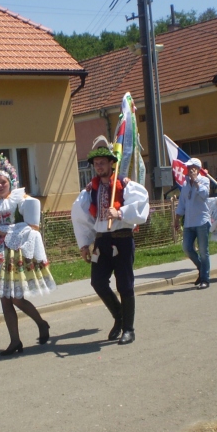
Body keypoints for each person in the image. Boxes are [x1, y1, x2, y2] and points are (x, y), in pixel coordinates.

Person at [0, 153, 54, 356]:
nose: (0, 186)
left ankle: (41, 323)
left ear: (10, 182)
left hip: (15, 251)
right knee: (5, 299)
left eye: (3, 182)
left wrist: (4, 230)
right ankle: (15, 341)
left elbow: (31, 226)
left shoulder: (20, 200)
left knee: (16, 298)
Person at [71, 137, 149, 344]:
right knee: (97, 282)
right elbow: (80, 217)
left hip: (122, 240)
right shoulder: (90, 190)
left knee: (125, 285)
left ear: (111, 163)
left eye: (103, 162)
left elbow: (141, 205)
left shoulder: (125, 185)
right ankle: (119, 317)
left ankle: (129, 329)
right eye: (96, 163)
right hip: (102, 242)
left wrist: (121, 212)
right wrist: (84, 244)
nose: (99, 166)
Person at [174, 157, 212, 289]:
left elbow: (204, 195)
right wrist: (177, 218)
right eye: (188, 168)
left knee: (203, 251)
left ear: (197, 169)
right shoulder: (185, 184)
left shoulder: (204, 180)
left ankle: (205, 279)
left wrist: (196, 181)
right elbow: (182, 203)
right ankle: (202, 269)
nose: (189, 170)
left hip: (201, 221)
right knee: (187, 248)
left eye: (192, 168)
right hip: (189, 223)